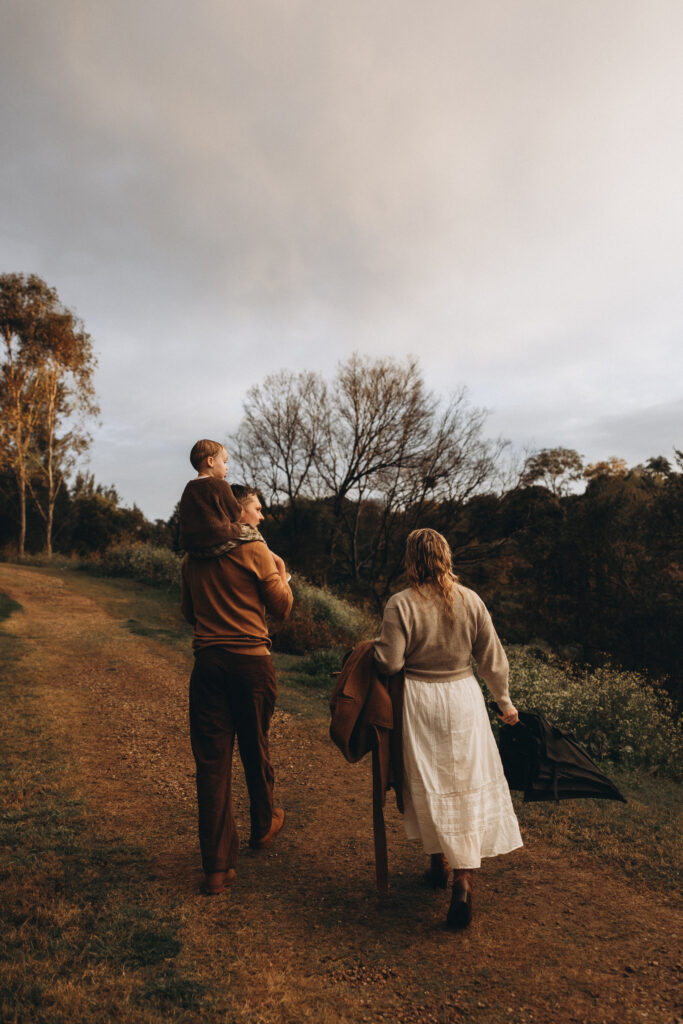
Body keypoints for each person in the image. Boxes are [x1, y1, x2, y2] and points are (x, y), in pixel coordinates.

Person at [373, 528, 522, 929]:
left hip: (420, 701)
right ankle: (463, 881)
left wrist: (372, 647)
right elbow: (492, 658)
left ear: (411, 560)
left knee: (430, 781)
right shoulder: (470, 600)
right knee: (464, 783)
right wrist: (504, 702)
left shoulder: (400, 604)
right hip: (463, 698)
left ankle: (437, 865)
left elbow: (388, 664)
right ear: (445, 556)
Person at [181, 487, 293, 896]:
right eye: (257, 509)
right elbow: (281, 608)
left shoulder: (192, 558)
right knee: (255, 743)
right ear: (234, 510)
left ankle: (216, 869)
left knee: (211, 765)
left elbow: (189, 613)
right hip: (251, 663)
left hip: (208, 665)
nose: (261, 517)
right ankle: (262, 826)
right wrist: (282, 575)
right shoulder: (256, 550)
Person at [178, 439, 259, 557]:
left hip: (192, 546)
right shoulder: (220, 485)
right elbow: (235, 514)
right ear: (210, 461)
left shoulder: (188, 488)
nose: (227, 467)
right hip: (217, 540)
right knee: (253, 532)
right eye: (225, 462)